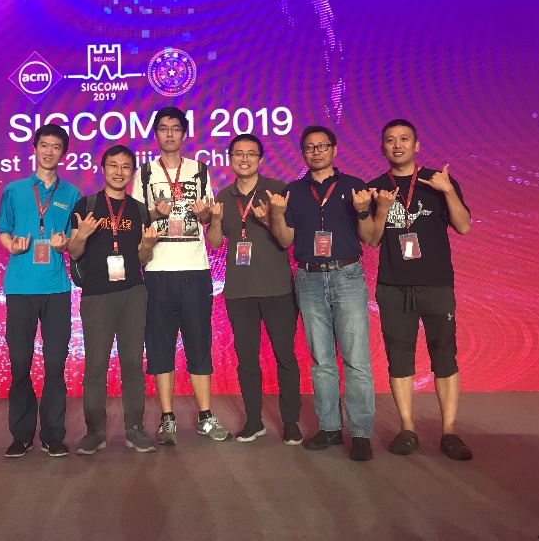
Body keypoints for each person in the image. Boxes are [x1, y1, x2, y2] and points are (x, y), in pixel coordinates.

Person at [268, 125, 377, 462]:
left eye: (322, 146)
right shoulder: (293, 192)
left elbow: (371, 238)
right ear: (302, 152)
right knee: (321, 360)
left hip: (347, 275)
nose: (316, 152)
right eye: (309, 147)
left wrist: (363, 210)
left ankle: (360, 433)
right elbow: (285, 240)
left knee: (356, 360)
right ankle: (329, 427)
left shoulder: (355, 186)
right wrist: (276, 214)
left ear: (334, 149)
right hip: (309, 278)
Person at [367, 118, 472, 461]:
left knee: (444, 355)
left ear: (416, 145)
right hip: (393, 286)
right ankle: (407, 429)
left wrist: (448, 190)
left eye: (404, 139)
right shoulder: (376, 187)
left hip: (436, 283)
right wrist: (380, 208)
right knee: (399, 359)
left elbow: (464, 226)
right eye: (390, 140)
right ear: (382, 147)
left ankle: (449, 432)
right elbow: (371, 240)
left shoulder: (437, 182)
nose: (397, 145)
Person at [131, 106, 231, 443]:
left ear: (184, 134)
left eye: (175, 128)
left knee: (199, 343)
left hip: (195, 270)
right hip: (157, 271)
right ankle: (167, 418)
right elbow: (136, 221)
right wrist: (152, 213)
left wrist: (206, 215)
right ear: (156, 134)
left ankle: (205, 416)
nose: (170, 133)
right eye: (163, 128)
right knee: (160, 345)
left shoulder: (199, 170)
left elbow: (208, 220)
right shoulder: (145, 173)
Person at [206, 134, 303, 445]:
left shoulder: (277, 190)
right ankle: (253, 421)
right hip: (239, 291)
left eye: (251, 154)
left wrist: (272, 217)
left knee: (285, 357)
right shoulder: (224, 195)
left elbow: (286, 240)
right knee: (246, 360)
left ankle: (290, 422)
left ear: (261, 159)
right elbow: (215, 243)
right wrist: (215, 220)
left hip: (277, 289)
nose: (244, 159)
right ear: (230, 159)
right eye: (238, 154)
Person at [67, 145, 161, 455]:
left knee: (133, 363)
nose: (119, 172)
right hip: (97, 295)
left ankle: (135, 428)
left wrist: (147, 245)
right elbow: (74, 253)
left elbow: (142, 259)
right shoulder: (87, 204)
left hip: (133, 292)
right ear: (103, 168)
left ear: (132, 172)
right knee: (95, 365)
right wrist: (81, 234)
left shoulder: (139, 210)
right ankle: (95, 431)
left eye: (125, 166)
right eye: (113, 165)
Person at [0, 124, 81, 458]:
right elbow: (4, 230)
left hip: (56, 289)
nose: (49, 152)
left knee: (55, 365)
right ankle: (21, 434)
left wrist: (65, 244)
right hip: (20, 287)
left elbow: (74, 238)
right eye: (44, 145)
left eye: (56, 147)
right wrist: (12, 246)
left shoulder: (71, 193)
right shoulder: (15, 190)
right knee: (20, 362)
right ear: (34, 148)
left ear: (64, 153)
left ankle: (53, 434)